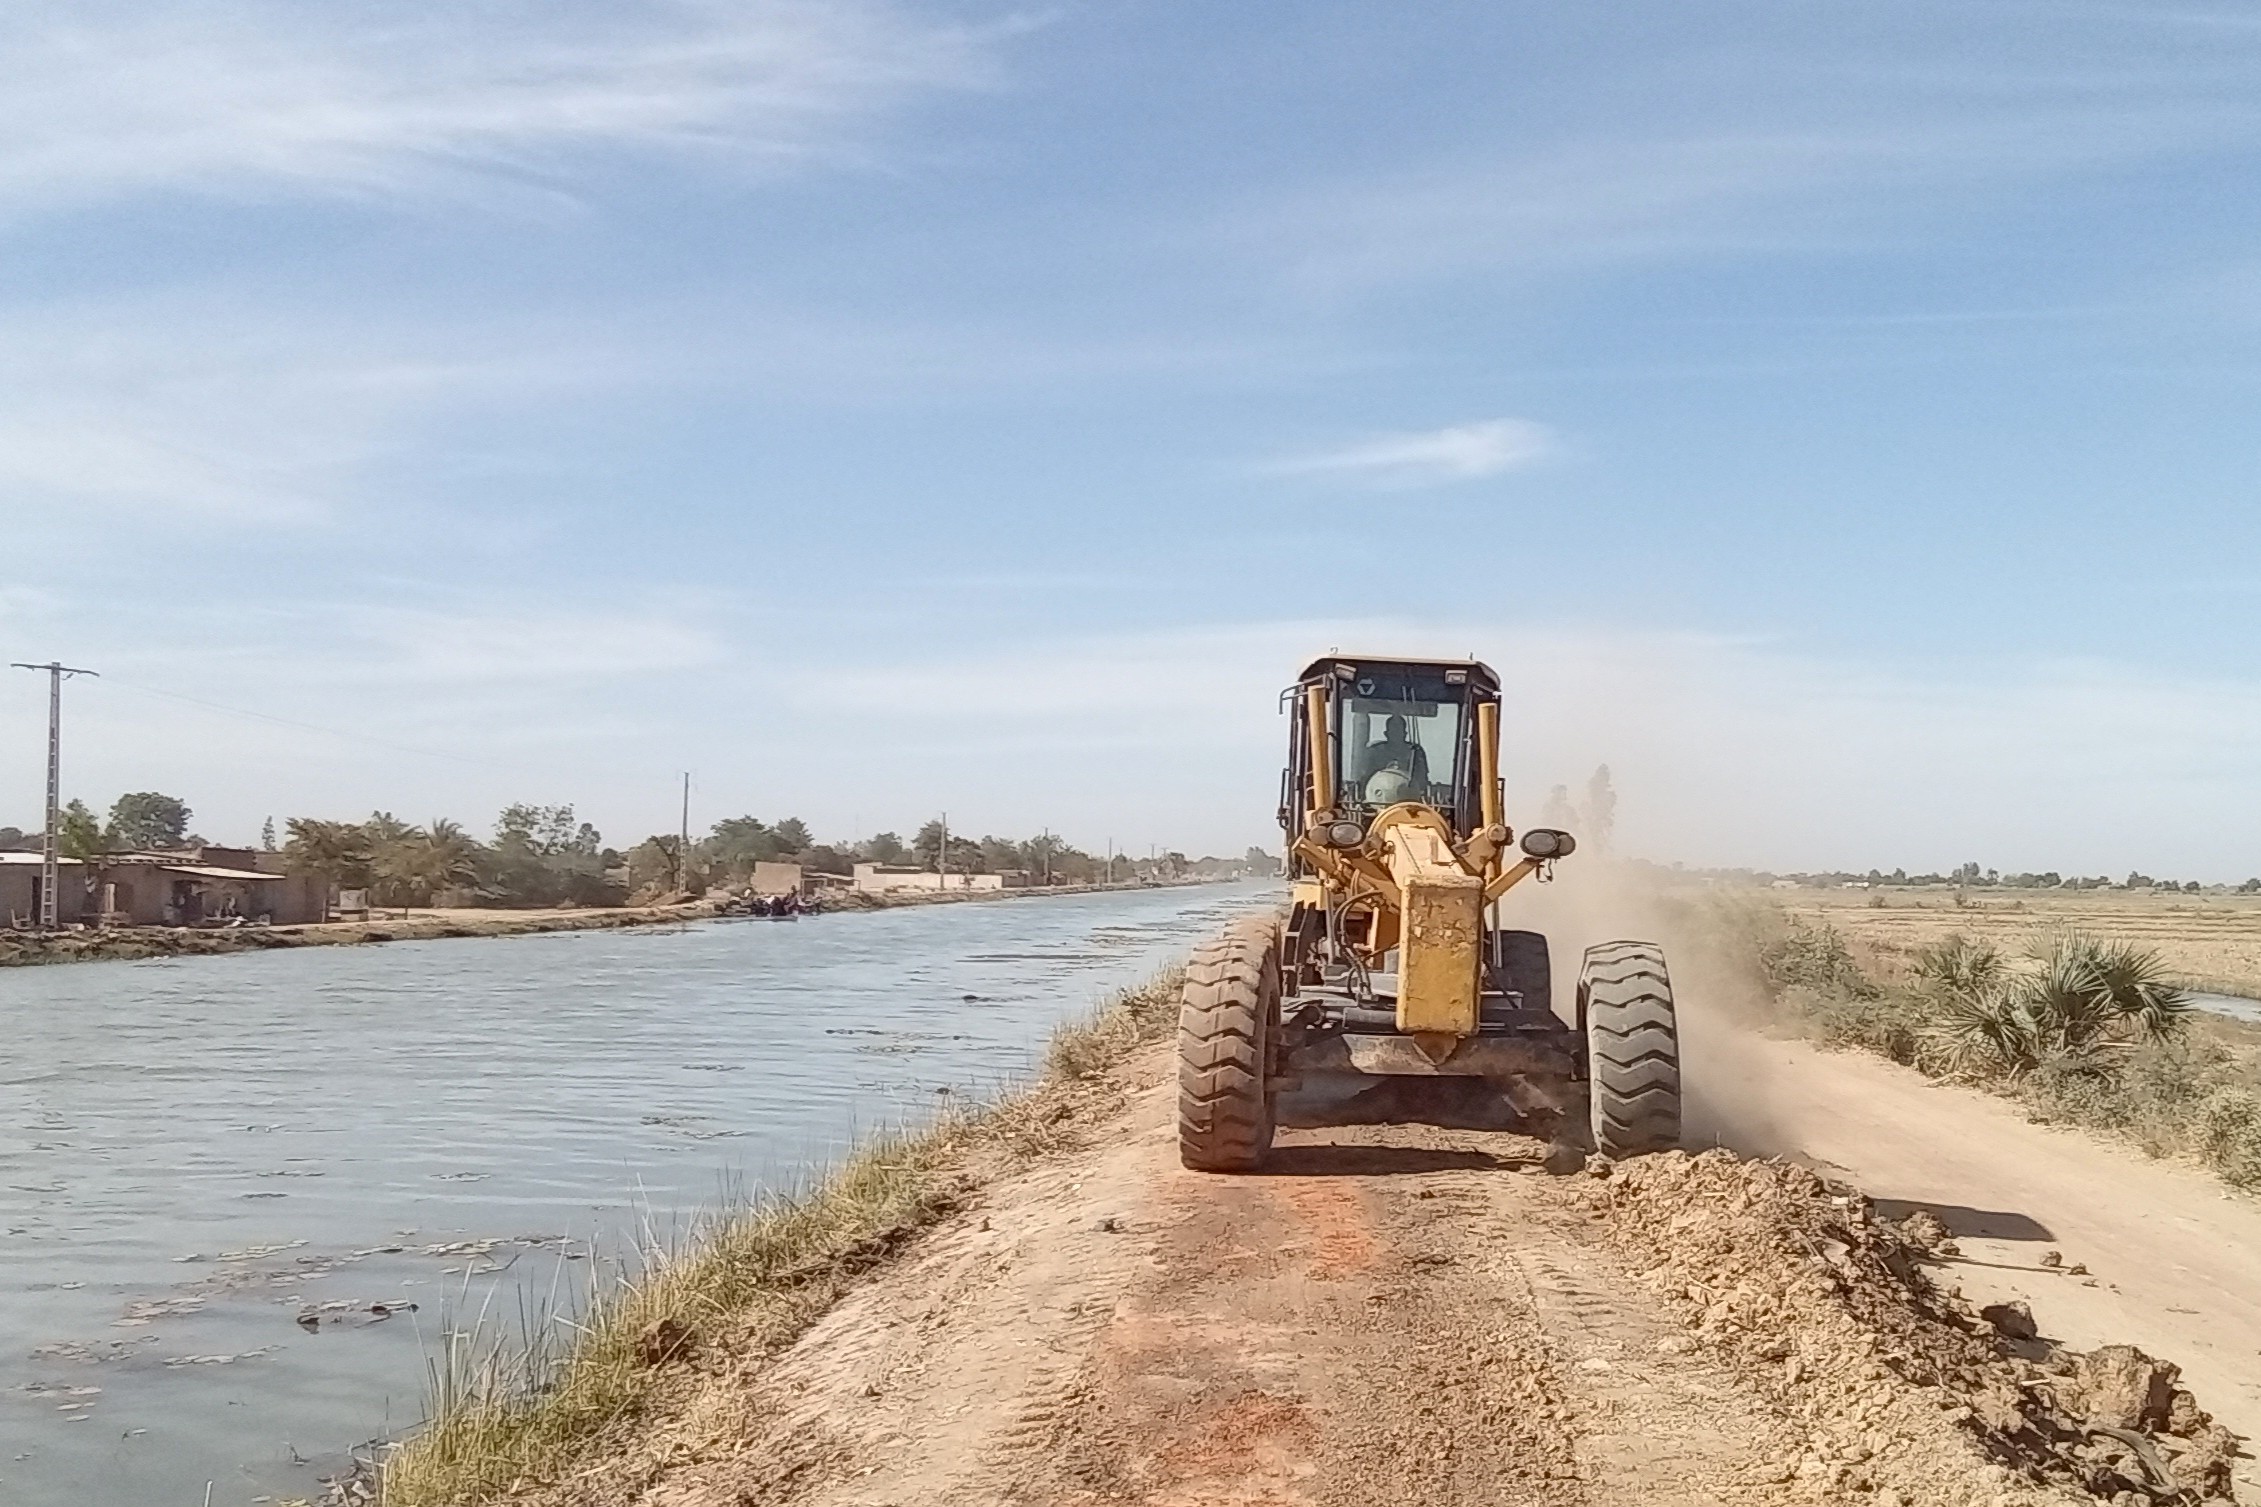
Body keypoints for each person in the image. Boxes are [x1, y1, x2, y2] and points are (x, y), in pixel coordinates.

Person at [1357, 714, 1429, 789]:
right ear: (1386, 734)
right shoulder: (1376, 753)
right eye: (1393, 732)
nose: (1396, 735)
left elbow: (1422, 780)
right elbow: (1366, 779)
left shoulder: (1415, 753)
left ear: (1405, 734)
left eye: (1399, 732)